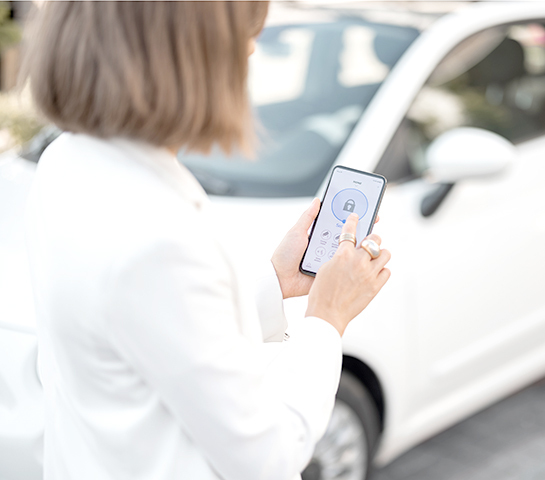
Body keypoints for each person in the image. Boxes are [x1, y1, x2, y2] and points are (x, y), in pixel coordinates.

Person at [21, 2, 391, 480]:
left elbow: (155, 334)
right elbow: (270, 454)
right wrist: (327, 317)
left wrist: (274, 280)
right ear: (189, 56)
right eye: (245, 35)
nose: (253, 51)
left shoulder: (64, 162)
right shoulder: (157, 240)